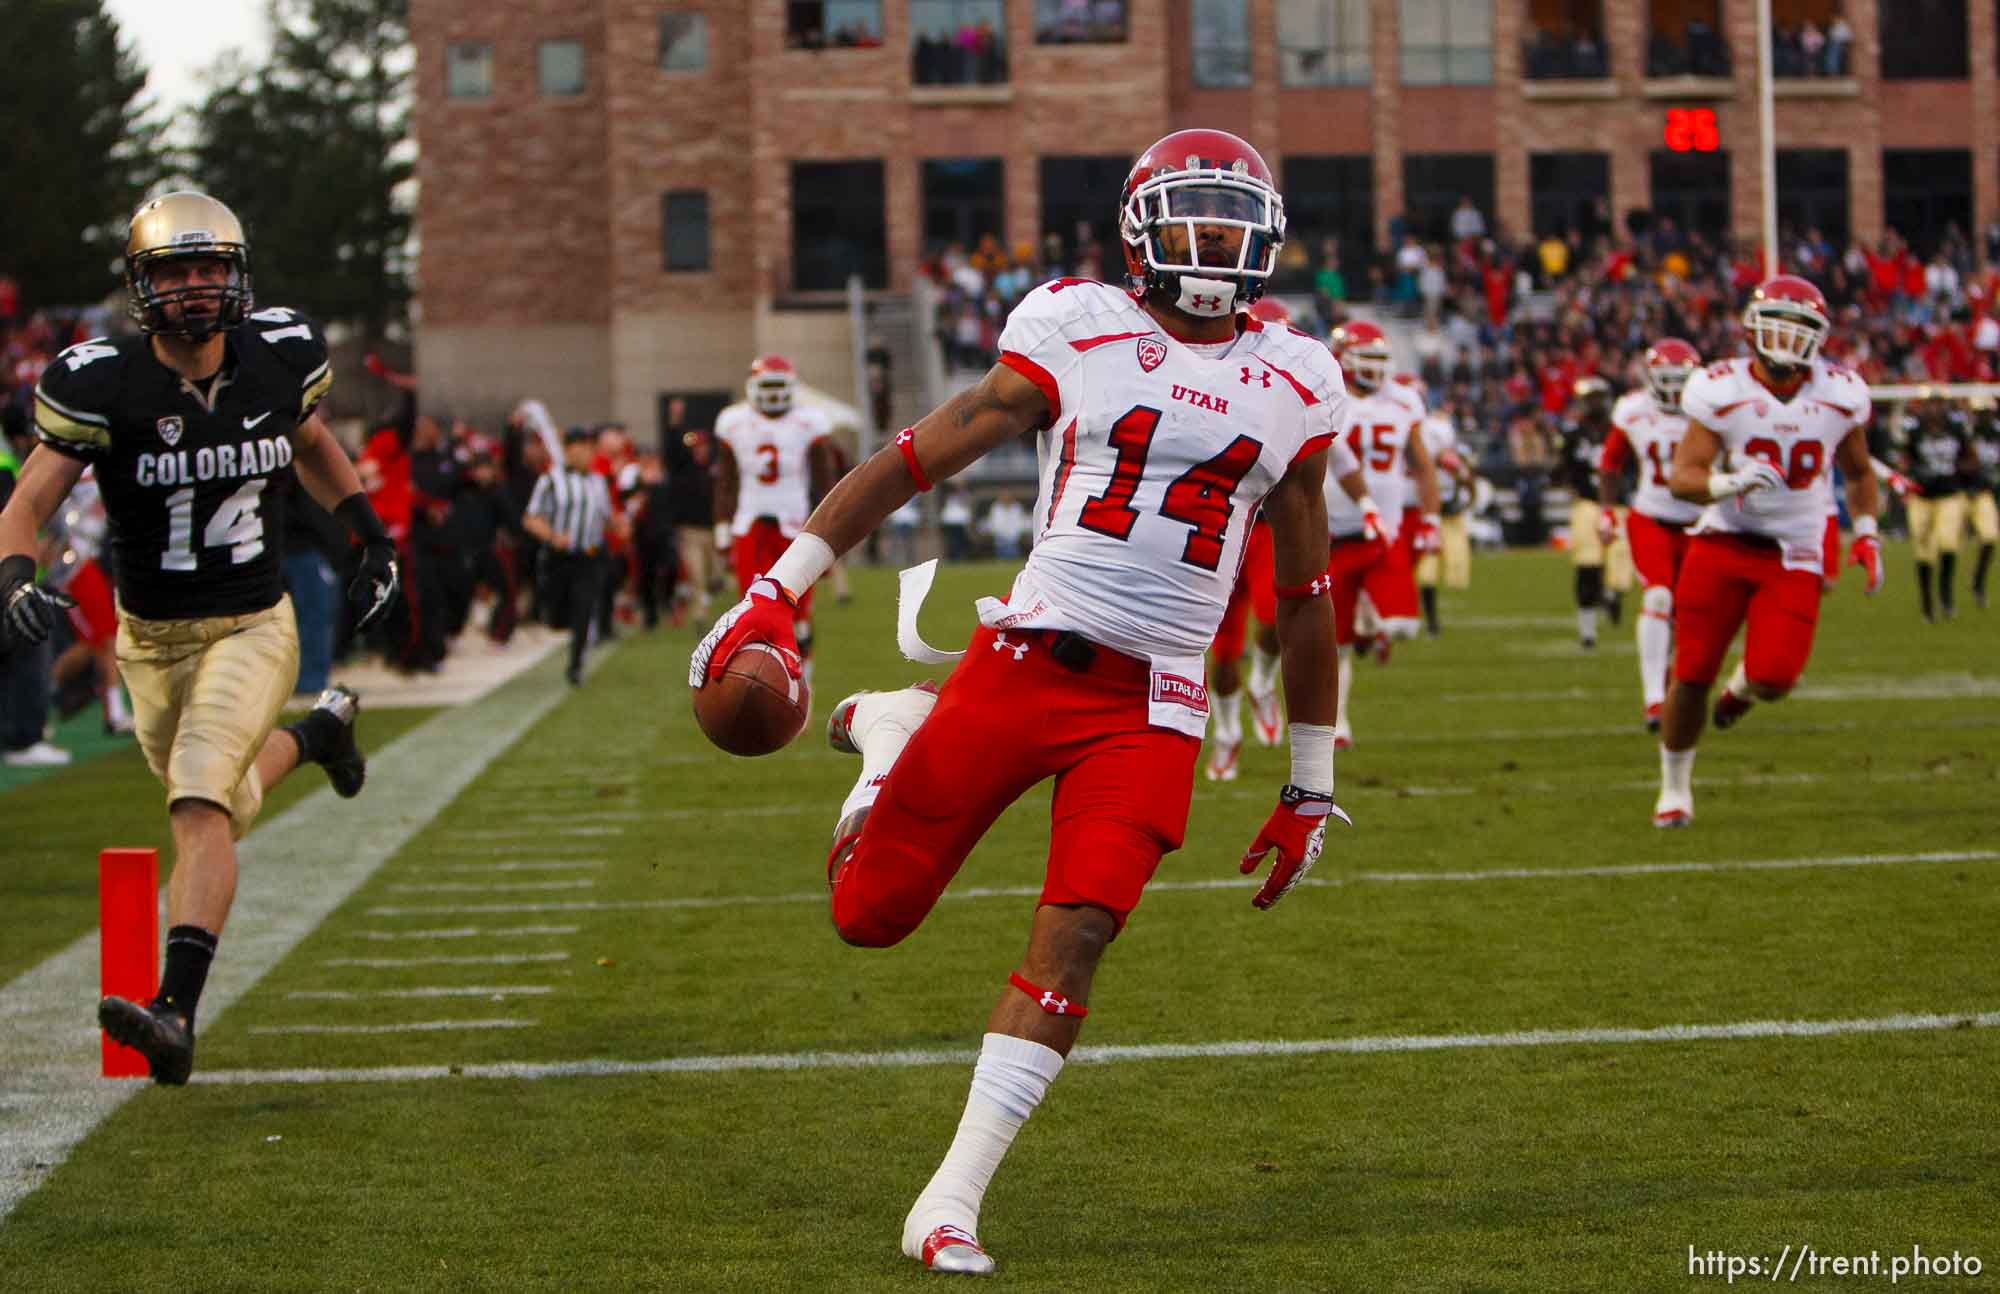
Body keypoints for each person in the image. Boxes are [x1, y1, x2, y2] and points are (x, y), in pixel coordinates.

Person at [689, 129, 1349, 1277]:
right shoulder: (1077, 327)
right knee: (867, 915)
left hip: (1155, 701)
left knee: (1080, 930)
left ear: (1269, 239)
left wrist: (1310, 779)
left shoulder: (1298, 378)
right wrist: (772, 592)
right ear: (1140, 230)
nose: (1211, 242)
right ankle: (891, 732)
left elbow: (1302, 593)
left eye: (1230, 220)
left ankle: (949, 1199)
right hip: (1026, 663)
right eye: (1188, 216)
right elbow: (911, 457)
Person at [0, 191, 400, 1083]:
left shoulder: (276, 358)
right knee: (223, 800)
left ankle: (174, 1010)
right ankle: (318, 735)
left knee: (195, 801)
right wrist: (13, 575)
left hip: (255, 623)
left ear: (238, 273)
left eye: (209, 267)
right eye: (175, 270)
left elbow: (311, 444)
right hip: (152, 639)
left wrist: (371, 533)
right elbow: (29, 500)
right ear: (143, 285)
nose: (194, 286)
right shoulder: (103, 380)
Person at [1652, 276, 1881, 828]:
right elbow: (1683, 478)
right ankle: (1674, 787)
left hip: (1796, 549)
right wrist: (1731, 483)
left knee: (1775, 678)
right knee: (1691, 672)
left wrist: (1868, 532)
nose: (1785, 338)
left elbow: (1858, 472)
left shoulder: (1840, 393)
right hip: (1724, 540)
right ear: (1752, 328)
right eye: (1776, 323)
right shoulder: (1721, 386)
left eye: (1799, 327)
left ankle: (1744, 687)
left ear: (1820, 337)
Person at [1325, 321, 1440, 746]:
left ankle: (1369, 620)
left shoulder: (1403, 402)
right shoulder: (1328, 394)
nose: (1373, 370)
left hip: (1382, 532)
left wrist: (1430, 519)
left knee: (1403, 625)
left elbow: (1422, 464)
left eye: (1379, 360)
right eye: (1365, 359)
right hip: (1332, 531)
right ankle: (1338, 726)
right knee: (1333, 644)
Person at [712, 355, 839, 686]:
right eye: (766, 386)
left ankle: (802, 682)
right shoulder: (733, 421)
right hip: (750, 523)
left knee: (799, 615)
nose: (771, 395)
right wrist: (722, 528)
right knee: (754, 610)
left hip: (797, 527)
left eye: (777, 386)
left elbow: (824, 483)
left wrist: (831, 534)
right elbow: (726, 480)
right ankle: (762, 681)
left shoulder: (809, 422)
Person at [1597, 339, 1702, 730]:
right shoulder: (1633, 409)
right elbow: (1611, 463)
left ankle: (1674, 681)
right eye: (1667, 381)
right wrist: (1607, 511)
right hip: (1651, 517)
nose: (1674, 391)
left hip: (1701, 522)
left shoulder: (1711, 409)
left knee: (1691, 613)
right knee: (1658, 595)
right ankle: (1654, 700)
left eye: (1681, 381)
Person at [522, 426, 620, 685]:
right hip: (559, 557)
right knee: (557, 616)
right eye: (581, 446)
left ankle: (575, 666)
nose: (586, 453)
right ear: (567, 450)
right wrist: (553, 536)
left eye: (589, 447)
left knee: (584, 609)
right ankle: (560, 622)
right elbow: (531, 518)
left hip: (590, 556)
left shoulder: (598, 481)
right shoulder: (551, 480)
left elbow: (608, 518)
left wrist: (620, 525)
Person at [1559, 375, 1626, 647]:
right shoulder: (1574, 435)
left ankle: (1611, 595)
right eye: (1589, 399)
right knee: (1587, 566)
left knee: (1620, 571)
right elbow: (1563, 468)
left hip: (1619, 504)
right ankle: (1588, 633)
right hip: (1588, 503)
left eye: (1596, 398)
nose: (1593, 404)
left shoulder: (1620, 431)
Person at [1900, 399, 1971, 622]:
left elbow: (1970, 458)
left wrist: (1959, 472)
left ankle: (1946, 596)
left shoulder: (1956, 430)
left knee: (1948, 542)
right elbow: (1905, 459)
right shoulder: (1915, 431)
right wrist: (1908, 476)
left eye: (1938, 404)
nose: (1934, 409)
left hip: (1949, 494)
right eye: (1930, 404)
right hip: (1921, 497)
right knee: (1924, 551)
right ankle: (1927, 603)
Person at [1415, 401, 1476, 635]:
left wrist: (1466, 496)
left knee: (1456, 568)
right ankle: (1431, 622)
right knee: (1427, 571)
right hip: (1432, 515)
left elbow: (1468, 480)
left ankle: (1431, 621)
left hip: (1449, 513)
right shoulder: (1423, 457)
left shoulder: (1450, 457)